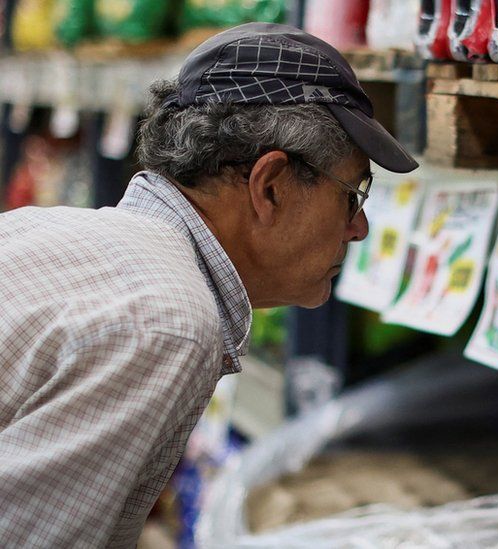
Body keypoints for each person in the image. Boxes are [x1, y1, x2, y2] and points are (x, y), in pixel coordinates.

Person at [0, 23, 418, 547]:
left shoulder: (45, 228)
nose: (359, 228)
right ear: (269, 186)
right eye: (352, 194)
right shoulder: (168, 322)